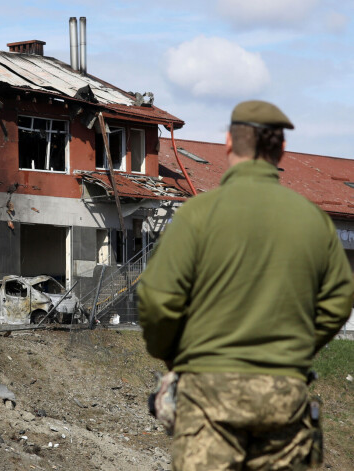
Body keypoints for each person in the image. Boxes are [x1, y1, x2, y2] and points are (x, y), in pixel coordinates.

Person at [137, 100, 354, 470]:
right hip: (284, 393)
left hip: (208, 392)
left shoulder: (196, 215)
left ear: (227, 142)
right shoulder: (313, 220)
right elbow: (339, 299)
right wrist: (293, 349)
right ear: (281, 149)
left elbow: (158, 300)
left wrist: (174, 355)